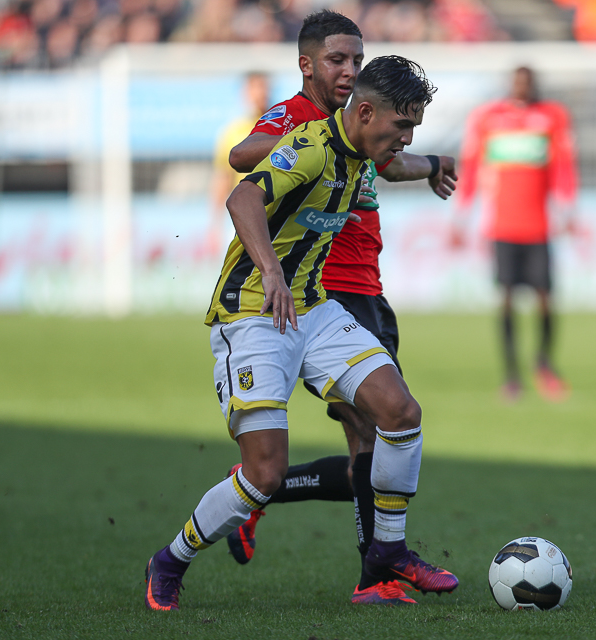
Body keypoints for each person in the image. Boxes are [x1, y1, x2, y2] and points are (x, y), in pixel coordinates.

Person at [144, 54, 458, 611]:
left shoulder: (365, 151)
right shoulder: (310, 147)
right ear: (366, 113)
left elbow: (395, 166)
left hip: (313, 309)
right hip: (253, 313)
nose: (407, 138)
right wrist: (271, 271)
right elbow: (242, 196)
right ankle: (170, 559)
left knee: (400, 412)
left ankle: (388, 552)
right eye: (402, 126)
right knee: (265, 473)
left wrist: (433, 165)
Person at [223, 10, 457, 606]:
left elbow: (390, 166)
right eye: (337, 60)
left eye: (356, 59)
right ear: (307, 65)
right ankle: (374, 574)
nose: (349, 70)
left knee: (374, 437)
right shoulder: (299, 120)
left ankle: (260, 491)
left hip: (369, 287)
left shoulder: (366, 123)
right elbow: (243, 155)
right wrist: (312, 142)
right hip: (325, 287)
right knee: (375, 429)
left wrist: (433, 165)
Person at [455, 66, 578, 402]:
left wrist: (568, 210)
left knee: (545, 299)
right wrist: (460, 218)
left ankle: (544, 364)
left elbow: (564, 167)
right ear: (509, 85)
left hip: (539, 226)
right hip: (502, 226)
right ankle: (511, 374)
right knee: (506, 299)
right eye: (517, 82)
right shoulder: (487, 118)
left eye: (527, 82)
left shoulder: (552, 116)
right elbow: (471, 168)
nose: (522, 87)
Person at [209, 71, 271, 256]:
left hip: (278, 212)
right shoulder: (233, 132)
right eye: (255, 87)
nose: (260, 93)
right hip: (245, 215)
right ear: (245, 92)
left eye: (263, 87)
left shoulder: (282, 127)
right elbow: (223, 178)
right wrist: (215, 225)